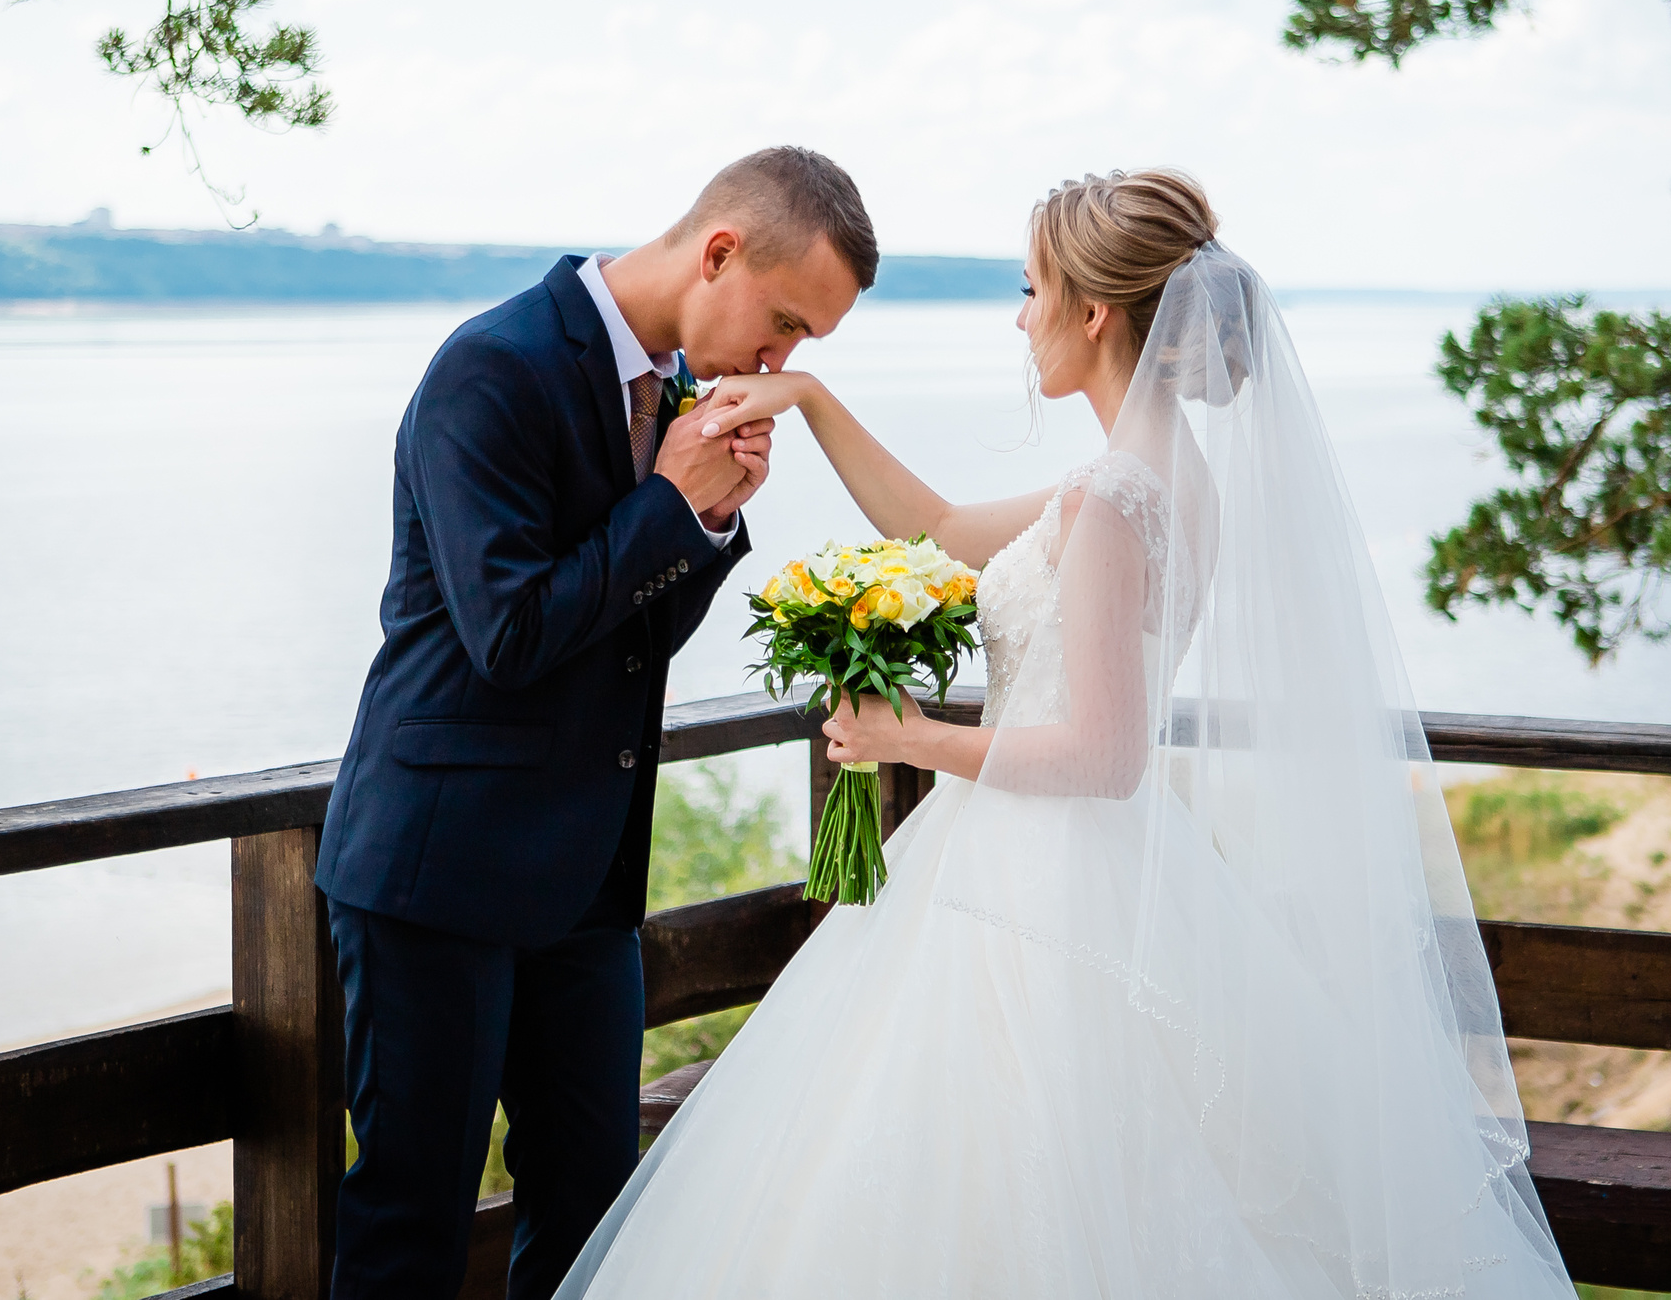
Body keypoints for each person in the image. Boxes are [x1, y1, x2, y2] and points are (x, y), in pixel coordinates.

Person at [553, 169, 1575, 1298]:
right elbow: (937, 526)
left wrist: (912, 740)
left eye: (1032, 289)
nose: (1021, 317)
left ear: (1093, 312)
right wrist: (810, 399)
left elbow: (1101, 751)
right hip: (1100, 871)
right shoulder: (1151, 482)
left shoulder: (1111, 498)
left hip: (1037, 889)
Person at [315, 146, 877, 1300]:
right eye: (782, 324)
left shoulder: (669, 393)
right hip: (437, 873)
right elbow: (510, 634)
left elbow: (630, 642)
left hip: (585, 885)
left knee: (595, 1219)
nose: (777, 364)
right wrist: (670, 502)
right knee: (411, 1224)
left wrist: (706, 524)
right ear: (718, 252)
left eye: (803, 344)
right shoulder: (493, 366)